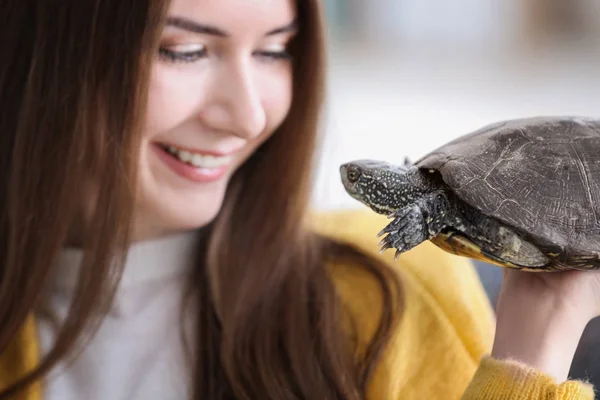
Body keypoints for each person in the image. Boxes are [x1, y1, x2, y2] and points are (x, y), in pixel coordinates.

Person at [0, 0, 598, 399]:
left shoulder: (390, 293)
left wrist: (530, 358)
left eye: (274, 50)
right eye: (183, 50)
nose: (249, 115)